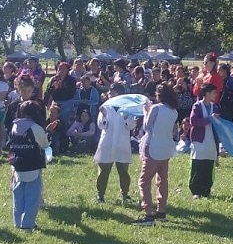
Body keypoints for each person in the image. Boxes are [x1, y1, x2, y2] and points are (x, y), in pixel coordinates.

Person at [133, 84, 178, 226]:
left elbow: (147, 127)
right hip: (166, 147)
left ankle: (148, 213)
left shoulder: (156, 108)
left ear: (159, 95)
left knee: (144, 181)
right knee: (162, 180)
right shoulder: (174, 111)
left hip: (153, 146)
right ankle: (161, 210)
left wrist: (146, 111)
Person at [8, 100, 49, 231]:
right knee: (32, 196)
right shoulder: (36, 128)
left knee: (18, 195)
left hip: (17, 165)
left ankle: (17, 221)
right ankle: (27, 224)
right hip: (33, 166)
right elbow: (45, 145)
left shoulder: (14, 126)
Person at [94, 103, 137, 203]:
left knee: (124, 172)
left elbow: (131, 126)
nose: (110, 94)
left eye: (113, 93)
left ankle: (125, 195)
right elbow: (101, 126)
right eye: (110, 92)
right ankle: (100, 195)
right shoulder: (105, 107)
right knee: (103, 171)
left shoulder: (128, 108)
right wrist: (104, 115)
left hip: (122, 145)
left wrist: (127, 118)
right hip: (107, 144)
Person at [189, 83, 219, 199]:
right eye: (213, 93)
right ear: (207, 93)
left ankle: (206, 189)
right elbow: (193, 121)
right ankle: (195, 190)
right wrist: (209, 119)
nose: (215, 95)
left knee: (208, 164)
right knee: (198, 164)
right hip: (199, 140)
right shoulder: (197, 106)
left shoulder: (214, 107)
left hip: (211, 140)